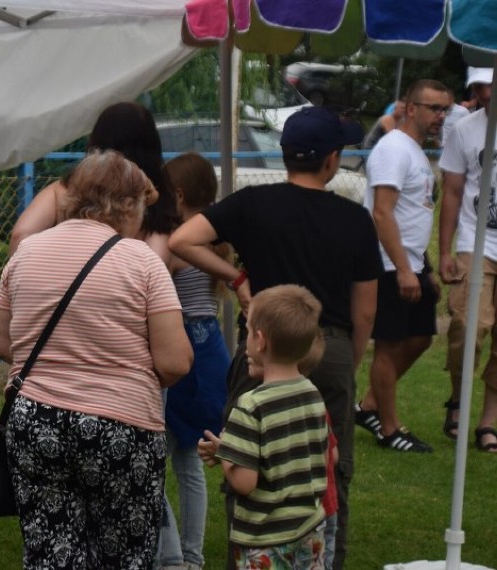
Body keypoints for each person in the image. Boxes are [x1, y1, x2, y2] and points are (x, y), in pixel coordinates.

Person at [169, 106, 382, 570]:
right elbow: (365, 309)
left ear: (284, 156)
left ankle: (247, 558)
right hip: (330, 347)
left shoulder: (251, 203)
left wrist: (237, 278)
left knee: (247, 452)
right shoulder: (355, 220)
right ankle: (324, 559)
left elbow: (181, 240)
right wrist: (350, 356)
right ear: (331, 160)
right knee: (329, 463)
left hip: (261, 351)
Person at [0, 150, 194, 569]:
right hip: (121, 427)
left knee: (51, 552)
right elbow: (175, 362)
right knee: (122, 555)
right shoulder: (143, 263)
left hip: (36, 421)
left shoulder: (26, 253)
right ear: (129, 205)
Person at [200, 285, 329, 569]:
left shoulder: (250, 405)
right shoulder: (312, 394)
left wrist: (228, 455)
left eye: (246, 330)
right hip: (310, 529)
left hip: (266, 540)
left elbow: (245, 483)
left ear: (259, 341)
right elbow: (316, 455)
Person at [355, 80, 448, 453]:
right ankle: (390, 429)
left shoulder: (416, 151)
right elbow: (382, 212)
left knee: (421, 337)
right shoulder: (394, 149)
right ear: (410, 108)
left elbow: (414, 215)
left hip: (410, 262)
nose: (440, 116)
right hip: (388, 265)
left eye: (445, 109)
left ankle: (368, 405)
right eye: (433, 108)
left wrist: (424, 268)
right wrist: (404, 270)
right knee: (390, 347)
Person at [158, 153, 231, 570]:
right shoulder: (213, 232)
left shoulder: (180, 238)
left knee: (160, 460)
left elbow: (158, 264)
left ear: (179, 194)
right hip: (208, 345)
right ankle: (189, 555)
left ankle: (176, 555)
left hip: (184, 345)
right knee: (189, 461)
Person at [8, 101, 179, 263]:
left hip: (59, 288)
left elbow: (21, 235)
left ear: (97, 141)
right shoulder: (155, 198)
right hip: (124, 290)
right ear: (152, 147)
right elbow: (158, 259)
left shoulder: (62, 189)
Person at [438, 66, 497, 452]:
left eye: (489, 83)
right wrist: (444, 250)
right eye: (478, 84)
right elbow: (454, 193)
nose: (484, 91)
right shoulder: (465, 130)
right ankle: (458, 400)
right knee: (466, 326)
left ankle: (489, 421)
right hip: (477, 242)